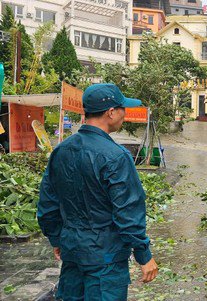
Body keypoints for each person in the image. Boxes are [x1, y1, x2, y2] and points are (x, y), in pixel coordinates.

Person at [37, 83, 158, 300]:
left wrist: (57, 238)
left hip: (72, 252)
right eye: (123, 109)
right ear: (111, 112)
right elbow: (128, 212)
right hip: (106, 259)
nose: (125, 114)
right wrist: (144, 255)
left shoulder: (61, 151)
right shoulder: (116, 157)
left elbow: (48, 205)